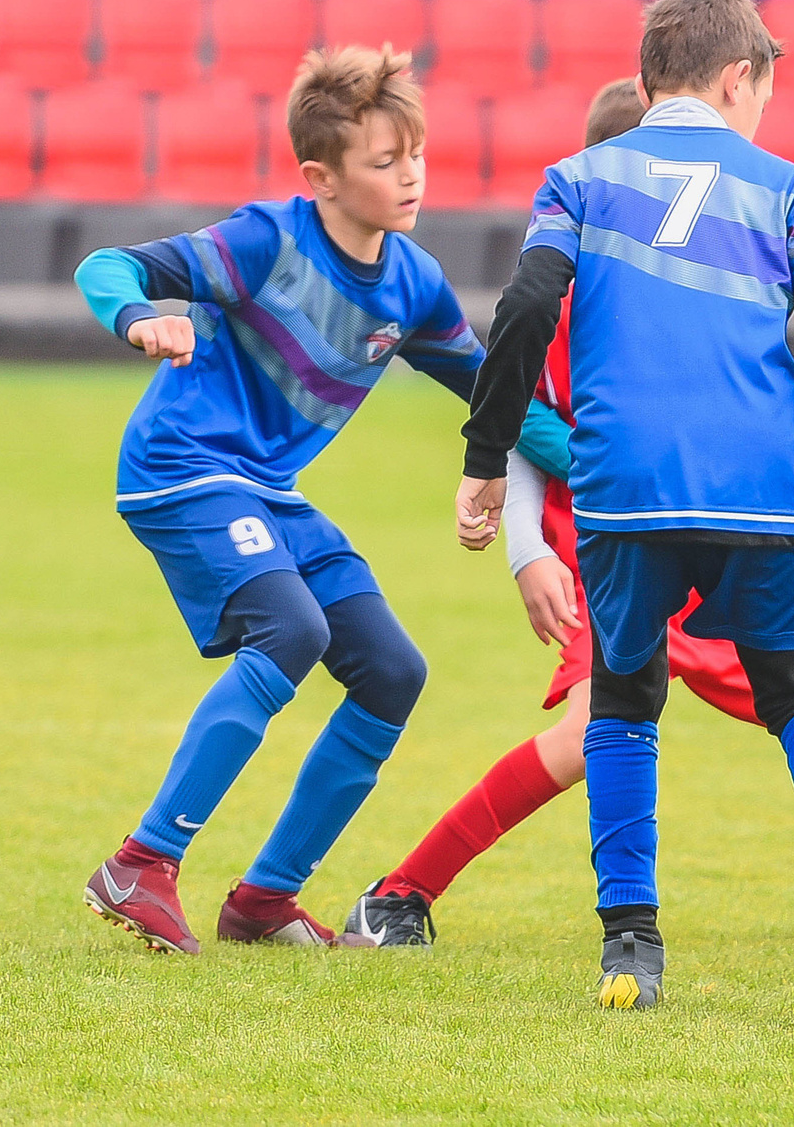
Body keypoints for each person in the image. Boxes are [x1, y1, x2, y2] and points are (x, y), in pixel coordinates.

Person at [344, 81, 794, 953]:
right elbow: (519, 421)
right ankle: (402, 893)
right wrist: (528, 549)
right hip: (611, 548)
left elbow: (734, 419)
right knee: (601, 731)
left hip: (687, 534)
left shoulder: (654, 289)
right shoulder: (575, 297)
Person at [452, 0, 794, 1013]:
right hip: (761, 484)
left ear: (642, 83)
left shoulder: (577, 176)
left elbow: (528, 305)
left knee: (625, 705)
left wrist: (487, 457)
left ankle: (630, 942)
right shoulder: (788, 186)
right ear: (738, 78)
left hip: (623, 484)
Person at [72, 46, 575, 953]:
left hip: (268, 492)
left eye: (414, 154)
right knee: (293, 631)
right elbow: (107, 265)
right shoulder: (268, 240)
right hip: (181, 469)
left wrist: (596, 467)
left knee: (392, 671)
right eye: (386, 162)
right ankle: (141, 863)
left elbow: (495, 397)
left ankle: (264, 898)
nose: (411, 173)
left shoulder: (413, 283)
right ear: (323, 177)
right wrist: (139, 315)